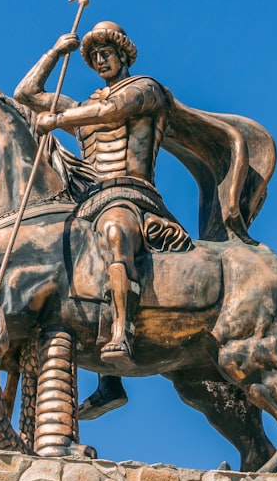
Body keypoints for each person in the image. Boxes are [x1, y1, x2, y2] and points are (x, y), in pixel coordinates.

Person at [15, 21, 193, 373]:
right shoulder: (83, 110)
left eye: (106, 53)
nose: (99, 61)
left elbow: (113, 111)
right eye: (93, 56)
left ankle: (122, 332)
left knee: (115, 232)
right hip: (90, 201)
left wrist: (58, 118)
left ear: (123, 54)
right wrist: (54, 53)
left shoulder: (145, 89)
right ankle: (107, 378)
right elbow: (25, 94)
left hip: (132, 195)